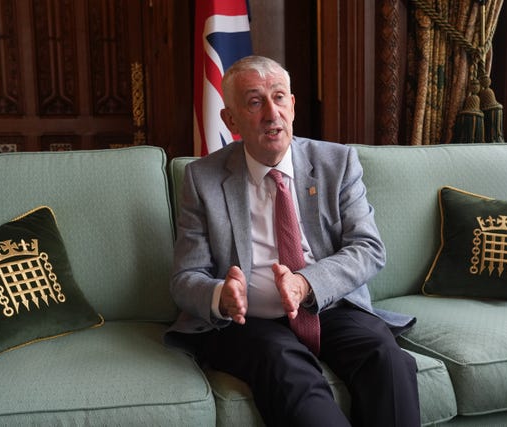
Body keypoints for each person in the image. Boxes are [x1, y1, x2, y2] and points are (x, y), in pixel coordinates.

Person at [166, 55, 420, 427]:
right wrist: (221, 295)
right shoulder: (202, 179)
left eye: (279, 97)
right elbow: (185, 278)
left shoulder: (337, 162)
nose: (272, 113)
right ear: (231, 120)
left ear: (293, 105)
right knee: (286, 367)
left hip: (328, 306)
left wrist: (305, 283)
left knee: (386, 356)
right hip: (251, 322)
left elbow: (368, 248)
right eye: (255, 102)